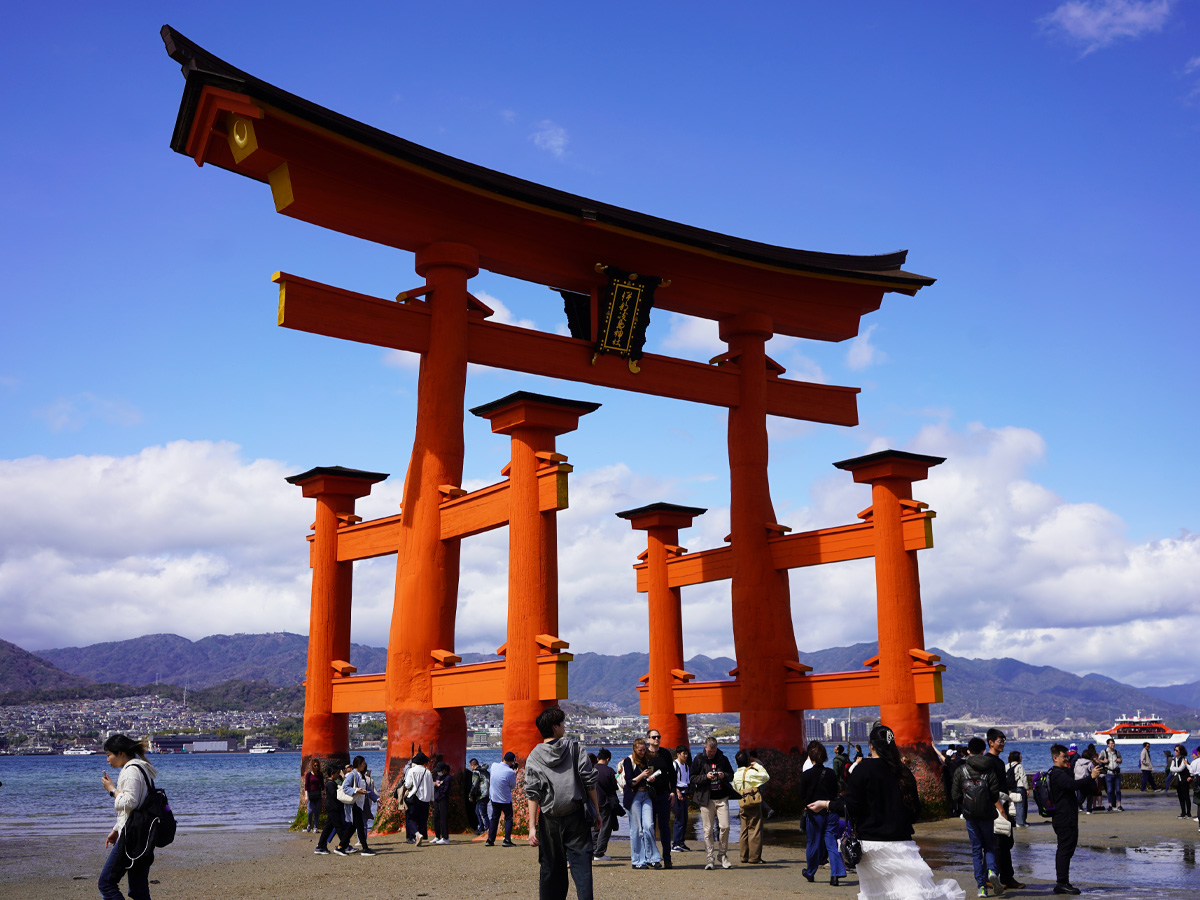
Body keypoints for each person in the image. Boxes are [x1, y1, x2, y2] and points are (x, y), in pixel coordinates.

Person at [807, 724, 964, 900]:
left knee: (876, 895)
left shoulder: (863, 770)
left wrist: (826, 804)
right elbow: (915, 811)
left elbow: (852, 806)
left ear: (871, 746)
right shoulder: (903, 771)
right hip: (902, 844)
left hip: (871, 845)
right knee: (913, 893)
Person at [524, 706, 599, 900]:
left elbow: (533, 793)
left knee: (551, 867)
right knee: (582, 865)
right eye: (562, 723)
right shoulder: (575, 749)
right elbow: (589, 782)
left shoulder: (534, 756)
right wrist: (597, 812)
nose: (564, 726)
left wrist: (532, 827)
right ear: (555, 727)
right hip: (576, 814)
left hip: (549, 817)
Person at [98, 734, 160, 900]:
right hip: (141, 834)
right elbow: (136, 807)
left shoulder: (132, 770)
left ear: (121, 753)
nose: (107, 760)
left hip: (132, 836)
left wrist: (112, 790)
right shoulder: (140, 768)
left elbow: (130, 803)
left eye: (109, 755)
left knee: (106, 883)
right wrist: (116, 830)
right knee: (138, 890)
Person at [1046, 742, 1103, 895]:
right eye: (1064, 757)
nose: (1067, 760)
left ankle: (1063, 881)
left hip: (1066, 816)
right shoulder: (1057, 774)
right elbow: (1072, 785)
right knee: (1064, 849)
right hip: (1063, 817)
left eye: (1068, 757)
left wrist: (1091, 780)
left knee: (1067, 849)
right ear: (1055, 758)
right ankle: (1061, 883)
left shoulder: (1061, 772)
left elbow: (1076, 785)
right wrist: (1090, 777)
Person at [952, 737, 1001, 898]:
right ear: (983, 750)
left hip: (970, 815)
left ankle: (981, 887)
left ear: (968, 751)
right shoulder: (989, 769)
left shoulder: (961, 770)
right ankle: (992, 871)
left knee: (976, 850)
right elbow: (994, 794)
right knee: (989, 846)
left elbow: (955, 794)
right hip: (987, 814)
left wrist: (966, 804)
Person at [797, 740, 845, 885]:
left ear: (810, 758)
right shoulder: (831, 773)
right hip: (830, 810)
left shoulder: (807, 775)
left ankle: (810, 872)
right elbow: (835, 791)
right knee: (831, 842)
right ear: (825, 757)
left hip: (813, 813)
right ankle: (836, 874)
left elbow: (801, 795)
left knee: (813, 843)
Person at [983, 729, 1022, 891]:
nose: (1003, 743)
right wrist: (1000, 808)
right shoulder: (988, 761)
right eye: (1000, 741)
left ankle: (1007, 876)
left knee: (1006, 842)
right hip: (995, 806)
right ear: (990, 742)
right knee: (996, 844)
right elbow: (991, 788)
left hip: (1003, 803)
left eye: (1004, 741)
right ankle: (990, 878)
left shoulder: (999, 762)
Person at [689, 736, 735, 871]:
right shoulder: (698, 759)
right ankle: (710, 858)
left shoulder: (723, 758)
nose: (712, 754)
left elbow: (731, 775)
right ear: (705, 747)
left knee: (725, 826)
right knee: (707, 830)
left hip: (721, 797)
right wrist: (706, 777)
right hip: (706, 798)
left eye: (714, 751)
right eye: (710, 751)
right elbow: (692, 778)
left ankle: (723, 855)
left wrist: (723, 775)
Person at [621, 737, 662, 869]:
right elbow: (629, 781)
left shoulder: (646, 759)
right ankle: (637, 860)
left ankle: (652, 857)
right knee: (637, 829)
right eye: (640, 750)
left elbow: (647, 778)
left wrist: (651, 777)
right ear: (634, 749)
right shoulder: (628, 761)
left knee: (649, 825)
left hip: (646, 794)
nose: (643, 752)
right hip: (634, 796)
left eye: (644, 749)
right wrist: (642, 775)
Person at [643, 728, 677, 868]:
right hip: (648, 794)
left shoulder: (665, 753)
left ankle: (667, 857)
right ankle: (651, 857)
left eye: (658, 737)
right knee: (649, 827)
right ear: (648, 739)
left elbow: (672, 774)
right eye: (654, 737)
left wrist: (673, 791)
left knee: (664, 827)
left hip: (664, 794)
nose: (657, 739)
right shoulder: (644, 754)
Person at [732, 748, 769, 864]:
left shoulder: (736, 774)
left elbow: (734, 787)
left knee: (744, 829)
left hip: (742, 802)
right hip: (753, 802)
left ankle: (744, 856)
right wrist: (757, 766)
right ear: (747, 760)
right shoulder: (751, 772)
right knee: (755, 829)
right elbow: (765, 777)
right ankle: (754, 857)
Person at [341, 756, 376, 855]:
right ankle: (365, 849)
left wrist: (377, 799)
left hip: (359, 804)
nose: (365, 764)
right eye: (363, 763)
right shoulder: (352, 775)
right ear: (359, 764)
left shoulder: (361, 775)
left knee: (353, 827)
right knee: (360, 827)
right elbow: (345, 788)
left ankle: (341, 847)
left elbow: (368, 789)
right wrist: (357, 790)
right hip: (354, 804)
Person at [315, 760, 351, 855]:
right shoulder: (330, 784)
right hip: (333, 808)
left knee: (328, 828)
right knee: (339, 827)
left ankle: (321, 846)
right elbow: (335, 795)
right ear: (332, 774)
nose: (338, 775)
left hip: (333, 808)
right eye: (337, 773)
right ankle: (344, 846)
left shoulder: (331, 783)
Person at [592, 748, 619, 861]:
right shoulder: (610, 771)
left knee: (594, 828)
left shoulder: (591, 769)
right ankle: (599, 853)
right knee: (605, 828)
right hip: (605, 803)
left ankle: (593, 850)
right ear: (608, 759)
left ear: (598, 758)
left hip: (592, 803)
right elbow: (614, 788)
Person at [487, 751, 519, 846]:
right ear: (512, 762)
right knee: (508, 819)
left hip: (494, 797)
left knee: (494, 818)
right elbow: (513, 786)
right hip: (505, 799)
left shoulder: (493, 766)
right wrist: (515, 774)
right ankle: (507, 840)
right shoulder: (510, 772)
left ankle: (490, 840)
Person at [403, 750, 434, 845]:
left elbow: (408, 785)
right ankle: (419, 835)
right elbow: (431, 786)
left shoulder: (412, 771)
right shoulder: (428, 772)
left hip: (414, 798)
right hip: (425, 799)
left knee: (410, 818)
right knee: (422, 820)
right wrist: (432, 799)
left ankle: (417, 834)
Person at [671, 745, 692, 852]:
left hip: (685, 792)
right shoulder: (675, 765)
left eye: (686, 753)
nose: (686, 756)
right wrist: (677, 791)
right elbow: (671, 780)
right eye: (683, 754)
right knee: (679, 819)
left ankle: (681, 842)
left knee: (685, 819)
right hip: (678, 792)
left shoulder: (686, 766)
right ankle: (675, 843)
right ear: (678, 754)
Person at [1097, 739, 1123, 811]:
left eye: (1113, 743)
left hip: (1117, 773)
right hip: (1108, 773)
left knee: (1118, 790)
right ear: (1108, 744)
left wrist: (1119, 760)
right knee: (1109, 790)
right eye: (1111, 744)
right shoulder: (1104, 752)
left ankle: (1119, 805)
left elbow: (1121, 760)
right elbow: (1098, 760)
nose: (1113, 745)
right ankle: (1110, 805)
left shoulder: (1117, 752)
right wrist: (1104, 761)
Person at [1005, 750, 1029, 827]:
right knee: (1020, 806)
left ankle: (1013, 821)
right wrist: (1027, 788)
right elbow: (1023, 778)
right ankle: (1020, 822)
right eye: (1020, 756)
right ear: (1018, 757)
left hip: (1011, 788)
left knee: (1012, 805)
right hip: (1019, 787)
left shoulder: (1007, 766)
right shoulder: (1019, 766)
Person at [1169, 745, 1192, 818]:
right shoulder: (1174, 759)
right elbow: (1171, 768)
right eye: (1174, 750)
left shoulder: (1184, 759)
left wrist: (1174, 769)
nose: (1175, 752)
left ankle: (1188, 813)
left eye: (1176, 750)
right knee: (1180, 797)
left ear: (1180, 751)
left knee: (1186, 796)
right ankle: (1183, 812)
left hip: (1184, 780)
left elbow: (1181, 769)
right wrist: (1175, 769)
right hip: (1178, 780)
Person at [468, 758, 490, 835]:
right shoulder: (485, 771)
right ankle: (480, 827)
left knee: (482, 813)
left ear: (472, 765)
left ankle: (487, 828)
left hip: (481, 794)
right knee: (478, 811)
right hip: (487, 793)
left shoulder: (476, 772)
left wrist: (470, 795)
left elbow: (474, 784)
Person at [432, 762, 452, 843]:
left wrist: (438, 785)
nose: (438, 772)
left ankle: (445, 837)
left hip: (443, 799)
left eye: (439, 770)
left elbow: (446, 790)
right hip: (437, 799)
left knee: (443, 818)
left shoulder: (448, 778)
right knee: (436, 818)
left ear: (444, 770)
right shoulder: (438, 777)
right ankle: (437, 836)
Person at [303, 757, 323, 832]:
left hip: (318, 794)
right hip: (311, 794)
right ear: (312, 766)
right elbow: (306, 785)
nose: (316, 767)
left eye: (317, 765)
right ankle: (309, 824)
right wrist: (306, 795)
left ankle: (315, 826)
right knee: (310, 811)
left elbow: (322, 784)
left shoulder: (320, 774)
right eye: (315, 765)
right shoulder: (309, 775)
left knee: (317, 811)